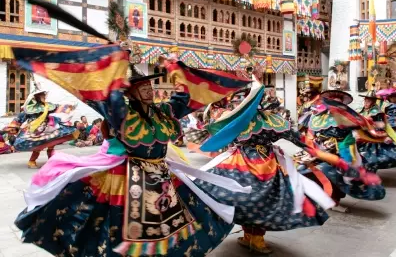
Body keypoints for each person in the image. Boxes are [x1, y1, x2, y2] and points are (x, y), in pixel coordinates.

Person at [12, 39, 252, 256]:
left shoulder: (164, 112)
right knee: (118, 232)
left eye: (150, 85)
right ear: (131, 92)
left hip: (162, 177)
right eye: (143, 87)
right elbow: (110, 97)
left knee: (178, 228)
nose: (150, 89)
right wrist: (119, 63)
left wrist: (178, 73)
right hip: (129, 177)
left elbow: (183, 99)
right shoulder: (121, 114)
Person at [192, 83, 381, 254]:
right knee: (256, 201)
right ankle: (251, 236)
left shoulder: (241, 121)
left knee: (249, 200)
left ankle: (254, 237)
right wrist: (311, 153)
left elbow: (296, 141)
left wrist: (319, 155)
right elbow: (296, 140)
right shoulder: (267, 120)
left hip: (252, 164)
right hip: (260, 163)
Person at [299, 90, 386, 213]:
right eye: (332, 102)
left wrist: (377, 132)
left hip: (344, 150)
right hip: (323, 151)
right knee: (310, 171)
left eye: (338, 103)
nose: (335, 105)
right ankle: (322, 199)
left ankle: (334, 200)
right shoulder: (318, 116)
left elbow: (364, 128)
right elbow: (311, 134)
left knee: (344, 175)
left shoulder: (349, 117)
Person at [4, 87, 78, 168]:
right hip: (35, 130)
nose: (43, 96)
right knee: (37, 146)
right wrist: (14, 126)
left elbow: (59, 109)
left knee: (51, 144)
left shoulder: (50, 106)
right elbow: (21, 117)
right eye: (41, 94)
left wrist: (68, 108)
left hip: (48, 128)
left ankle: (51, 160)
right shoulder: (30, 108)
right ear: (36, 96)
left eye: (43, 94)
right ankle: (32, 161)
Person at [356, 90, 396, 171]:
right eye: (365, 100)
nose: (366, 103)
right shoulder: (361, 110)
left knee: (372, 158)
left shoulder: (377, 112)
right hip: (361, 135)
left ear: (373, 101)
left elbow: (382, 125)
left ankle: (370, 173)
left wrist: (370, 125)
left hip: (373, 137)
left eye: (368, 101)